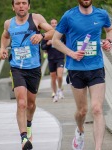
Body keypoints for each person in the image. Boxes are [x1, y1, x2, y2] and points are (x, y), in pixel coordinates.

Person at [52, 0, 112, 150]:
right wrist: (72, 53)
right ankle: (80, 130)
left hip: (96, 67)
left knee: (97, 108)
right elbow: (55, 41)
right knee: (82, 111)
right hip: (76, 69)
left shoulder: (101, 14)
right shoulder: (69, 16)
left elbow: (109, 29)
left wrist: (108, 41)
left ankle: (98, 148)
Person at [0, 0, 54, 149]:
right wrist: (2, 48)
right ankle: (24, 138)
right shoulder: (9, 23)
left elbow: (53, 31)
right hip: (17, 68)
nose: (21, 6)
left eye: (24, 3)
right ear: (13, 6)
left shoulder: (36, 19)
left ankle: (29, 125)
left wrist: (42, 36)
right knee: (21, 103)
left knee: (30, 104)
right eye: (17, 3)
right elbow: (5, 36)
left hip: (34, 68)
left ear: (28, 6)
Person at [41, 18, 65, 103]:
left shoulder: (61, 34)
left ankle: (60, 89)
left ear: (57, 24)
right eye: (52, 23)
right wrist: (48, 43)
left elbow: (66, 44)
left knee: (60, 75)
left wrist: (58, 43)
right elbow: (42, 47)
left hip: (60, 57)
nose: (54, 24)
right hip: (51, 58)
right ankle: (54, 93)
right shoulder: (46, 35)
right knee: (53, 77)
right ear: (50, 25)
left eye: (55, 23)